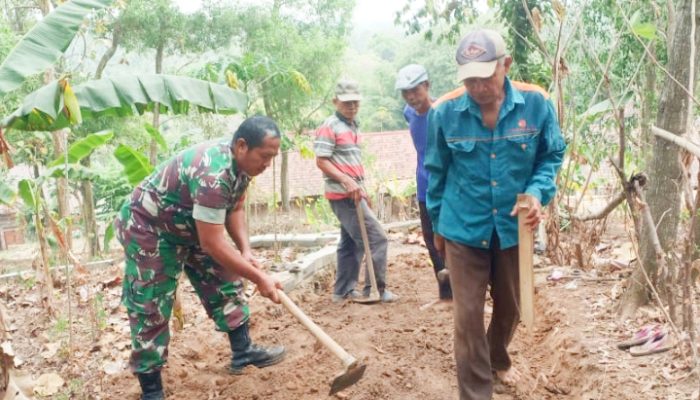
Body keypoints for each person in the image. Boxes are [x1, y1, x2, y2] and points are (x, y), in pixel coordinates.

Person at [425, 29, 566, 399]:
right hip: (463, 229)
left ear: (506, 65)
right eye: (469, 78)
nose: (478, 86)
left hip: (512, 227)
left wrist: (537, 193)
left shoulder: (536, 104)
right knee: (467, 318)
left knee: (512, 308)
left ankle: (496, 357)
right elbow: (435, 173)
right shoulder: (444, 112)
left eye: (486, 76)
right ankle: (476, 392)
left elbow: (550, 156)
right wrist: (438, 227)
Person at [115, 116, 287, 400]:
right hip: (150, 228)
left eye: (273, 157)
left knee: (225, 279)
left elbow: (235, 208)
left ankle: (243, 352)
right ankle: (152, 391)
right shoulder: (213, 174)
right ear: (242, 146)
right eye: (265, 156)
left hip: (190, 225)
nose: (267, 164)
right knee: (150, 304)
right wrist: (259, 278)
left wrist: (245, 251)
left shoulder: (242, 167)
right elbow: (212, 243)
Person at [314, 78, 398, 304]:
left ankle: (342, 291)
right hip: (343, 195)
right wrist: (346, 181)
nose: (352, 107)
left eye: (355, 103)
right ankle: (376, 290)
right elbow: (321, 161)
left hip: (354, 192)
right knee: (376, 238)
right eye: (346, 103)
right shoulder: (329, 126)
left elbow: (350, 162)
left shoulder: (352, 125)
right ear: (335, 101)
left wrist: (362, 188)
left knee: (349, 243)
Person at [395, 64, 452, 301]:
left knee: (452, 238)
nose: (411, 97)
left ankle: (465, 289)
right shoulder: (408, 113)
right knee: (430, 240)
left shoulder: (443, 112)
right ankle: (446, 293)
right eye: (405, 92)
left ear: (427, 86)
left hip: (447, 186)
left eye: (415, 90)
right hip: (423, 185)